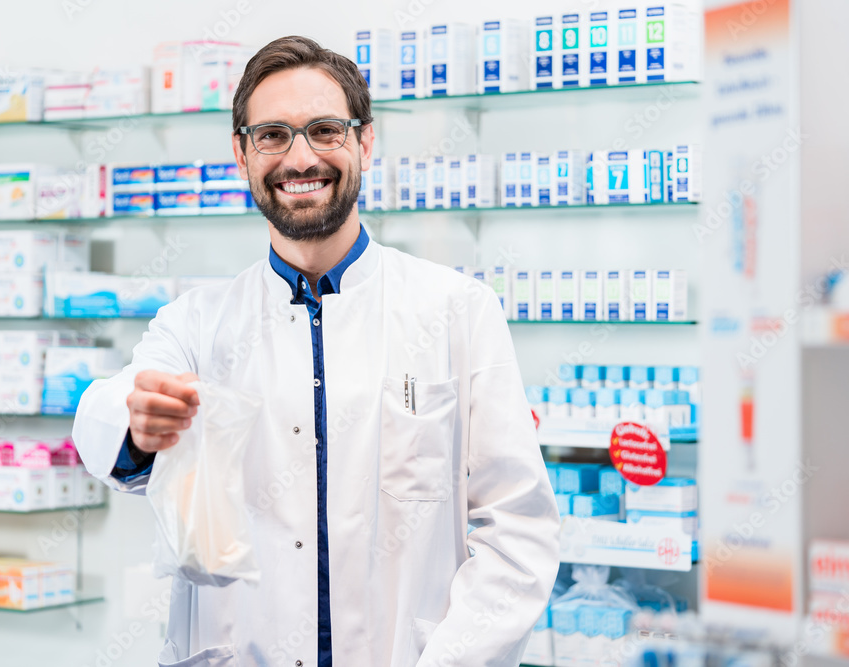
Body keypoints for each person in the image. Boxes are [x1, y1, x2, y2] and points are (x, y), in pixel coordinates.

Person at [73, 35, 560, 667]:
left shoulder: (457, 310)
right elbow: (108, 411)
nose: (300, 158)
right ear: (241, 153)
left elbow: (518, 528)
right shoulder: (196, 323)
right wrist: (138, 425)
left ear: (365, 141)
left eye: (325, 130)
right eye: (272, 134)